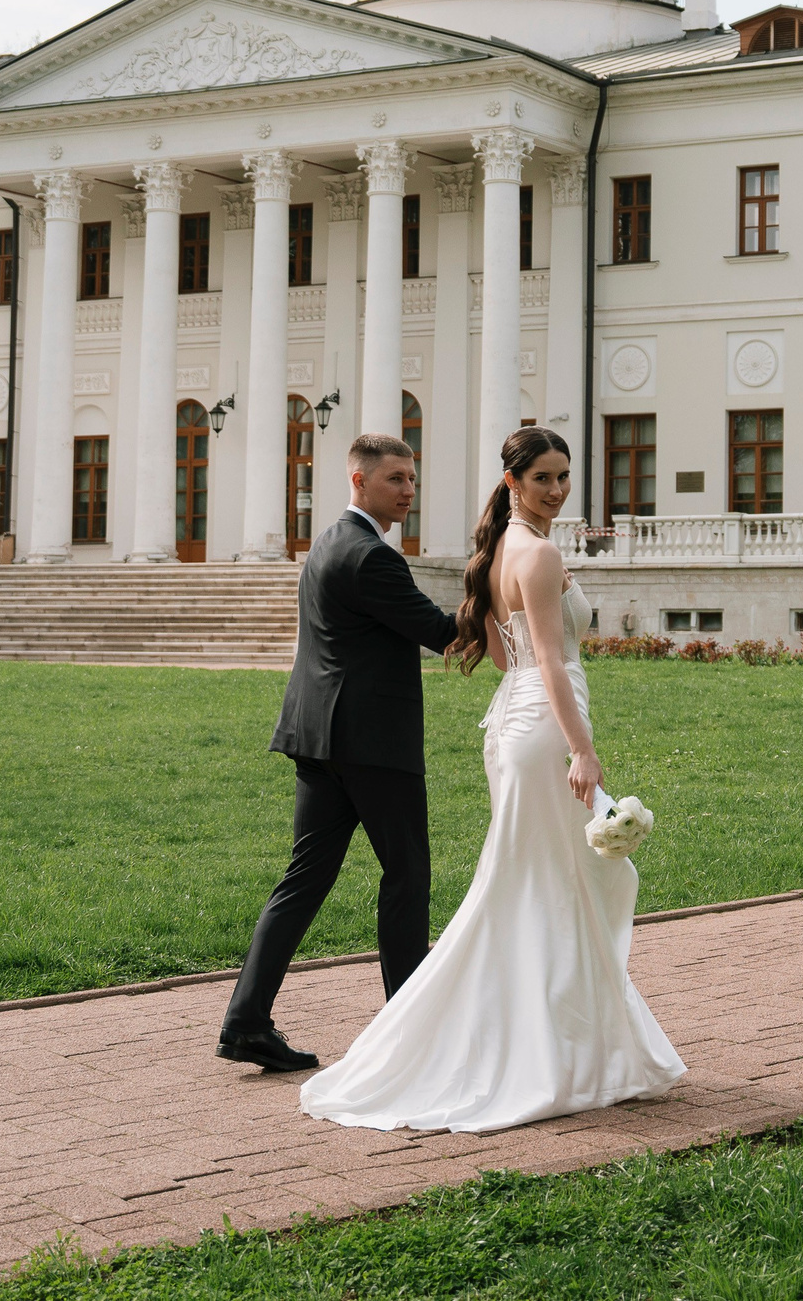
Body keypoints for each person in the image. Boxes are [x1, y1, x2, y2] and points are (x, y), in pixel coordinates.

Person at [299, 427, 685, 1133]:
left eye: (564, 475)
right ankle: (532, 1051)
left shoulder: (506, 546)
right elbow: (544, 659)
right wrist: (583, 751)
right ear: (512, 482)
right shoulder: (533, 551)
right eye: (542, 477)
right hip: (543, 727)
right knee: (538, 884)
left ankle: (571, 1047)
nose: (557, 488)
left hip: (522, 721)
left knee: (542, 882)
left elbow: (516, 657)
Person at [217, 432, 459, 1074]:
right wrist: (507, 582)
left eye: (412, 479)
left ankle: (246, 1023)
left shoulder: (328, 541)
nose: (409, 491)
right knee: (407, 877)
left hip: (317, 737)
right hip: (371, 744)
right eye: (396, 480)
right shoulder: (371, 557)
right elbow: (441, 632)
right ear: (359, 481)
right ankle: (408, 1032)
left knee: (303, 881)